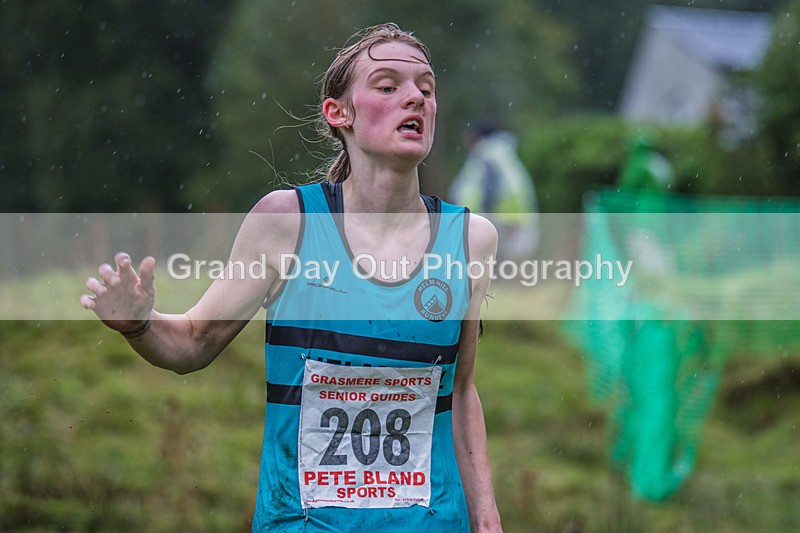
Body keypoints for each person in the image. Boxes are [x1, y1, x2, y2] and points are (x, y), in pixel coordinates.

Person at [81, 23, 502, 532]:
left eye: (426, 89)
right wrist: (138, 323)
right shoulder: (287, 223)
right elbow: (195, 342)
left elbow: (461, 392)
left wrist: (487, 519)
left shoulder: (471, 239)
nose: (414, 98)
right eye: (389, 86)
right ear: (338, 113)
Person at [448, 125, 539, 262]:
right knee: (509, 254)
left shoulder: (486, 151)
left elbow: (489, 184)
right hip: (514, 210)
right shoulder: (503, 151)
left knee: (492, 254)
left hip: (494, 211)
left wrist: (487, 211)